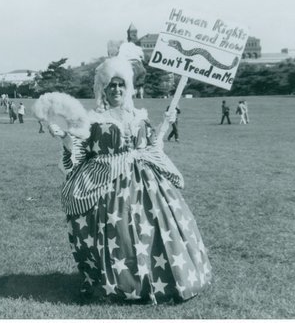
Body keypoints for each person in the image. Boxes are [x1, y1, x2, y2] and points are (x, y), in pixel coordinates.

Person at [47, 57, 212, 304]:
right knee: (120, 234)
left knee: (154, 231)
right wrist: (64, 138)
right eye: (111, 85)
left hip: (146, 184)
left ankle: (161, 279)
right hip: (108, 185)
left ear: (128, 87)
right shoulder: (91, 120)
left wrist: (165, 124)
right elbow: (79, 153)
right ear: (102, 88)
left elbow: (152, 146)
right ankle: (123, 282)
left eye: (121, 85)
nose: (116, 90)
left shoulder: (138, 115)